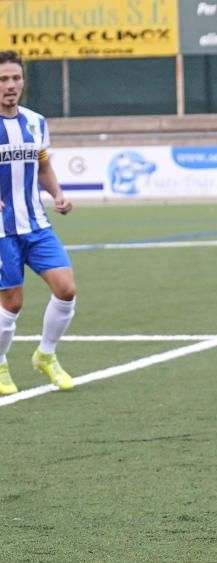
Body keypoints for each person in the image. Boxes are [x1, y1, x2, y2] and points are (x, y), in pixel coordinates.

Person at [0, 50, 75, 396]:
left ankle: (46, 354)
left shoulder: (35, 122)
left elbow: (42, 165)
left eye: (16, 78)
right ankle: (0, 363)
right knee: (12, 304)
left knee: (66, 288)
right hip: (2, 230)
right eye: (3, 79)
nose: (10, 85)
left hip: (36, 223)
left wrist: (58, 193)